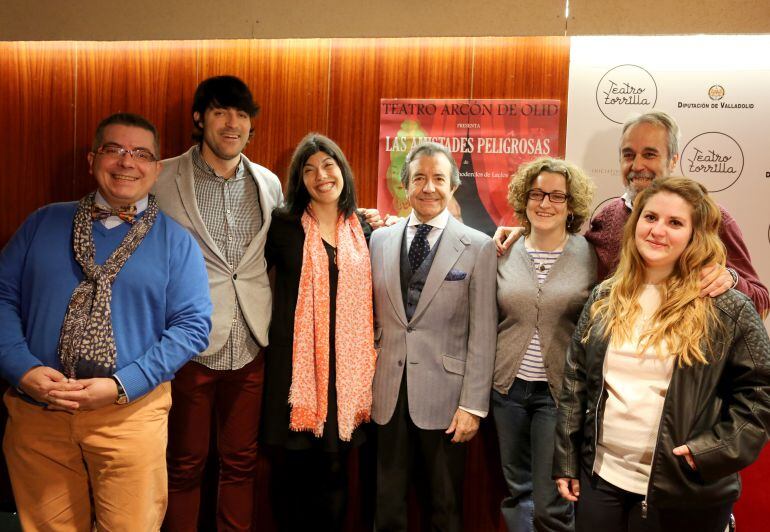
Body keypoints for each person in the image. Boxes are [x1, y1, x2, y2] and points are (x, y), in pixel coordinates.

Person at [0, 112, 212, 531]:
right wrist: (22, 370)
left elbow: (192, 326)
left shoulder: (177, 242)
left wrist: (121, 386)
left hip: (130, 416)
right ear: (92, 159)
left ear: (155, 167)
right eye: (114, 149)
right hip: (37, 413)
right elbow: (2, 298)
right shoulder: (42, 223)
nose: (126, 162)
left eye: (141, 154)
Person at [553, 177, 770, 532]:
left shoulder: (726, 306)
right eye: (650, 217)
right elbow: (576, 380)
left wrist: (712, 453)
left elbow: (761, 394)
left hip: (684, 490)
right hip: (601, 483)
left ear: (694, 234)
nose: (657, 231)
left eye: (675, 223)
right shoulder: (606, 297)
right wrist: (566, 458)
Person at [153, 75, 283, 532]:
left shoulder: (269, 183)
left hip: (251, 340)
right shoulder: (163, 176)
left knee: (242, 462)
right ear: (199, 118)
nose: (233, 124)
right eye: (221, 112)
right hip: (186, 344)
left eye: (242, 115)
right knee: (184, 463)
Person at [494, 111, 769, 316]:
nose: (637, 165)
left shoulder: (712, 217)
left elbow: (761, 300)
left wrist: (731, 280)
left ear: (673, 159)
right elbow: (573, 256)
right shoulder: (607, 216)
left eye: (650, 154)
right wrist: (530, 235)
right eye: (628, 155)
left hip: (683, 374)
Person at [369, 141, 497, 532]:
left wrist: (473, 406)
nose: (429, 187)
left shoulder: (479, 246)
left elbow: (484, 332)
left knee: (444, 506)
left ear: (453, 186)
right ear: (405, 185)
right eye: (419, 178)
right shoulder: (379, 241)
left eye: (439, 178)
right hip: (387, 392)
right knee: (387, 504)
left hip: (447, 397)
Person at [260, 133, 377, 531]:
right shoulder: (284, 225)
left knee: (335, 469)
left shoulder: (363, 229)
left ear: (342, 170)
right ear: (299, 180)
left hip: (344, 376)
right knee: (291, 472)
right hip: (296, 372)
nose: (320, 175)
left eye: (328, 165)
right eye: (308, 170)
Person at [493, 157, 596, 531]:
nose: (545, 203)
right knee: (517, 493)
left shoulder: (590, 255)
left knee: (552, 501)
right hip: (506, 391)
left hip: (559, 395)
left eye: (556, 196)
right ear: (525, 198)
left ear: (571, 205)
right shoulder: (503, 250)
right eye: (537, 193)